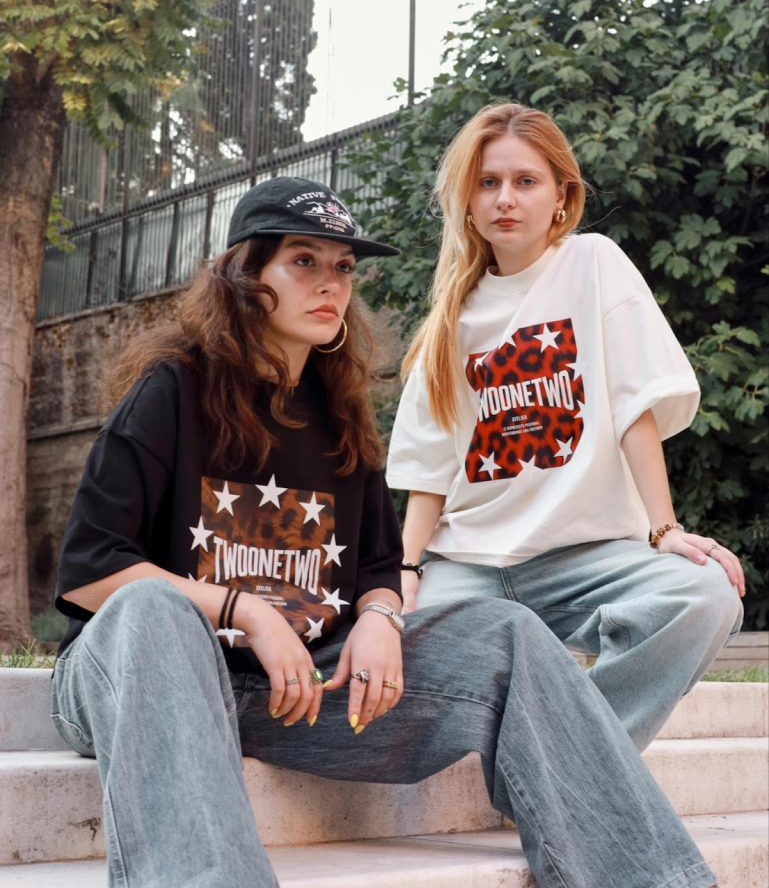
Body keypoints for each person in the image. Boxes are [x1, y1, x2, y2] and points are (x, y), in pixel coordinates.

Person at [52, 176, 719, 888]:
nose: (330, 284)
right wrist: (245, 611)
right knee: (153, 609)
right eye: (303, 261)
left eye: (342, 267)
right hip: (145, 679)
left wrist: (378, 616)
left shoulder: (341, 415)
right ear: (246, 276)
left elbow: (378, 566)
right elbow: (93, 571)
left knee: (509, 634)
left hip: (294, 692)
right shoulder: (173, 390)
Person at [386, 102, 744, 753]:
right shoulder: (449, 323)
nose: (505, 199)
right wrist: (405, 570)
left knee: (705, 596)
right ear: (467, 202)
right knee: (394, 646)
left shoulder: (592, 262)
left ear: (561, 197)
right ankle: (561, 756)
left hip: (586, 560)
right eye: (487, 183)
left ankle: (562, 756)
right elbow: (430, 471)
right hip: (468, 564)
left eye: (525, 181)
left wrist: (664, 530)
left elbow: (634, 404)